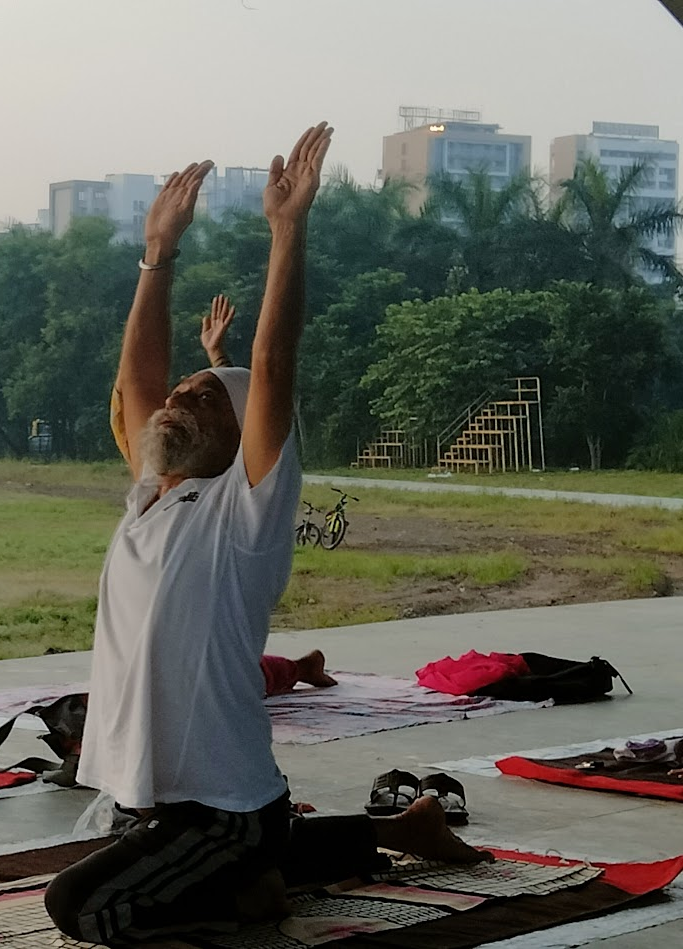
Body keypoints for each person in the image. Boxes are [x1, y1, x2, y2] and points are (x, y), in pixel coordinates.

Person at [45, 125, 489, 946]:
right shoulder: (151, 492)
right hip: (178, 800)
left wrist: (288, 230)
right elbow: (138, 376)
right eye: (184, 390)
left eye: (209, 399)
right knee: (153, 855)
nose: (179, 398)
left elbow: (273, 362)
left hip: (222, 806)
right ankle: (387, 831)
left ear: (243, 436)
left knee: (82, 907)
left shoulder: (240, 514)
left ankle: (254, 889)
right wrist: (156, 254)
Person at [109, 294, 336, 700]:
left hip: (211, 692)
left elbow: (259, 385)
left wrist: (288, 230)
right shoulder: (156, 481)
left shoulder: (241, 505)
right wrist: (217, 358)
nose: (171, 402)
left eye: (200, 398)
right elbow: (220, 404)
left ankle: (303, 667)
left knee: (238, 670)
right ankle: (303, 667)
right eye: (175, 393)